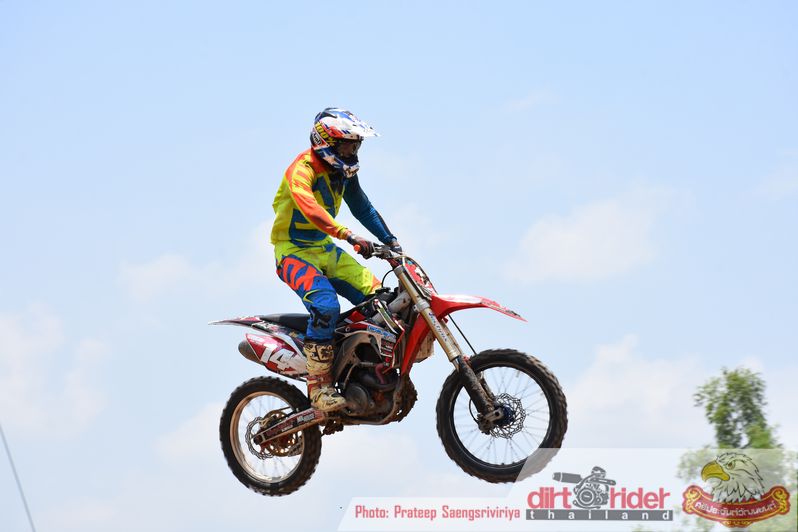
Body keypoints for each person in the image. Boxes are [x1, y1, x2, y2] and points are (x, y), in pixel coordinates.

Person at [270, 108, 401, 412]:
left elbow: (362, 208)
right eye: (346, 146)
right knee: (326, 306)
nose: (352, 153)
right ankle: (319, 387)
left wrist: (392, 242)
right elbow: (310, 209)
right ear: (325, 142)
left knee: (381, 301)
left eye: (355, 146)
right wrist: (347, 235)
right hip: (293, 251)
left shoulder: (343, 172)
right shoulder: (302, 170)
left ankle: (365, 374)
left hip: (325, 249)